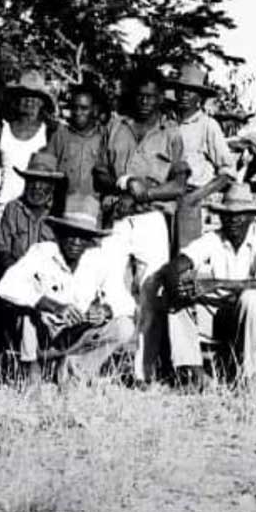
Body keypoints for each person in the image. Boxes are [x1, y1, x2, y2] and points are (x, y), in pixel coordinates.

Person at [93, 66, 188, 381]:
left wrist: (144, 194)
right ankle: (100, 364)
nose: (146, 101)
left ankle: (144, 373)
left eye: (152, 96)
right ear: (132, 96)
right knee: (108, 286)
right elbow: (100, 172)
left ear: (161, 97)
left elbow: (178, 184)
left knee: (152, 292)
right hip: (116, 215)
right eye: (141, 95)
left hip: (150, 219)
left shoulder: (171, 132)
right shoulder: (114, 126)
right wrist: (124, 182)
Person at [0, 195, 136, 382]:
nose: (75, 242)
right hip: (43, 336)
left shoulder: (99, 260)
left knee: (124, 326)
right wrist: (52, 306)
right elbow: (6, 285)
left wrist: (105, 310)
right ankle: (32, 370)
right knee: (26, 312)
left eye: (83, 237)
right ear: (58, 234)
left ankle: (75, 370)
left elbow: (125, 301)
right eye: (70, 234)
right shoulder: (42, 252)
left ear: (91, 240)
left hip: (76, 335)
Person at [164, 183, 256, 385]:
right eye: (227, 215)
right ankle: (195, 373)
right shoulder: (214, 238)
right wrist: (178, 282)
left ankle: (248, 377)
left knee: (250, 298)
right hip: (227, 315)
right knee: (178, 299)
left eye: (240, 215)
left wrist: (215, 284)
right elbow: (178, 264)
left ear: (251, 217)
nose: (233, 221)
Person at [167, 63, 237, 249]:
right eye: (181, 90)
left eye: (190, 91)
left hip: (190, 199)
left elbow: (228, 172)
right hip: (162, 196)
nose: (184, 95)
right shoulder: (167, 123)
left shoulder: (208, 125)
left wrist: (197, 196)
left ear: (200, 97)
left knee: (185, 259)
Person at [0, 70, 57, 235]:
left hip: (38, 214)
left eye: (35, 96)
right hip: (4, 210)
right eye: (24, 95)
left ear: (42, 102)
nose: (29, 101)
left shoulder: (50, 133)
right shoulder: (2, 130)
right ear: (16, 99)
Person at [45, 83, 105, 200]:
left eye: (84, 108)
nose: (77, 112)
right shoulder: (60, 135)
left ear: (95, 110)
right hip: (62, 207)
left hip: (94, 210)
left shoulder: (104, 138)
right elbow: (47, 172)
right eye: (74, 107)